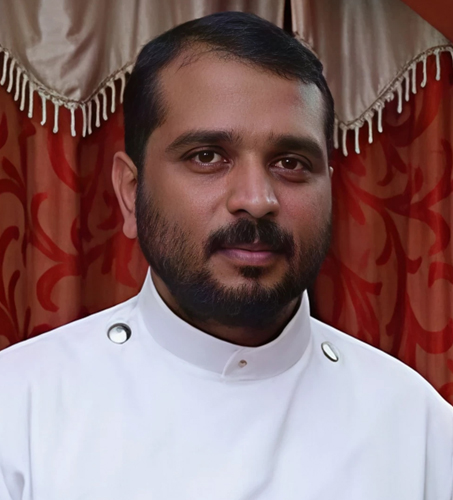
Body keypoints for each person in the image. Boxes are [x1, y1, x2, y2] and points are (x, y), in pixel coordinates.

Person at [0, 11, 452, 500]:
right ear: (131, 193)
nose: (256, 200)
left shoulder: (418, 428)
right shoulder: (19, 410)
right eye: (207, 156)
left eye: (290, 162)